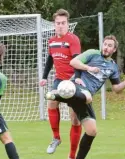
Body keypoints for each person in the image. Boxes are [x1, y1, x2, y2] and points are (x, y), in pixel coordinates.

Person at [47, 35, 125, 159]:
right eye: (105, 44)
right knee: (87, 97)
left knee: (92, 131)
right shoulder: (92, 53)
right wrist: (89, 68)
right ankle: (58, 94)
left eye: (110, 46)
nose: (106, 47)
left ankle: (60, 95)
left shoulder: (113, 67)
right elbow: (74, 62)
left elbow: (116, 89)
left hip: (83, 97)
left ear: (114, 50)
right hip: (78, 87)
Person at [39, 8, 82, 159]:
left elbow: (78, 60)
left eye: (63, 23)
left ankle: (72, 155)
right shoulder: (51, 41)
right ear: (54, 24)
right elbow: (50, 60)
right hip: (59, 80)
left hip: (72, 81)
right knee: (51, 101)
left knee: (75, 118)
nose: (60, 26)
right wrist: (44, 77)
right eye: (58, 23)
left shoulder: (73, 39)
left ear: (67, 24)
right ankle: (56, 138)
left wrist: (77, 77)